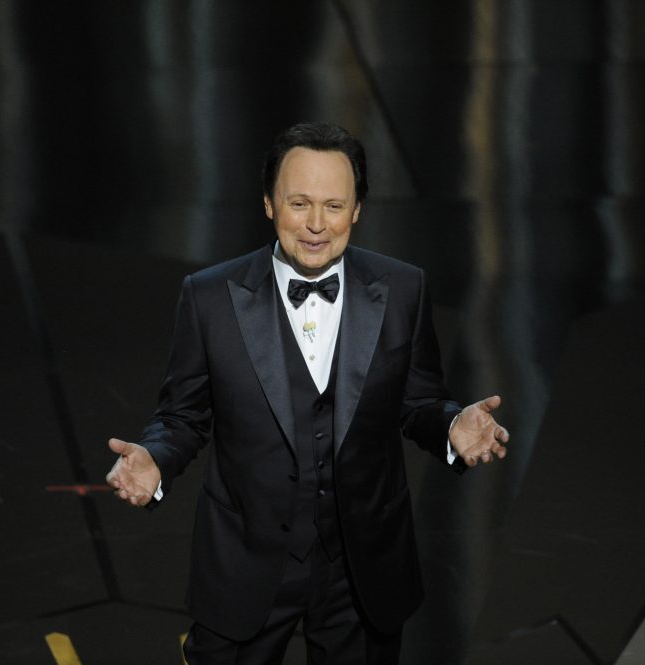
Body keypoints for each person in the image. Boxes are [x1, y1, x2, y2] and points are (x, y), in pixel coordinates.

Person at [105, 122, 509, 665]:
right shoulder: (208, 298)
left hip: (362, 568)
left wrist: (452, 424)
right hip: (247, 562)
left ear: (358, 210)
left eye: (334, 206)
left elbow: (418, 402)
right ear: (269, 204)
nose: (317, 225)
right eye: (299, 203)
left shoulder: (403, 288)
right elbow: (182, 416)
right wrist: (155, 458)